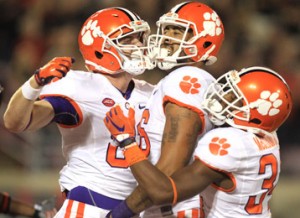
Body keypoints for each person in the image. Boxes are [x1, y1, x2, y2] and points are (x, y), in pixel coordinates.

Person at [3, 7, 155, 218]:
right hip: (89, 208)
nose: (139, 45)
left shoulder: (151, 92)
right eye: (128, 40)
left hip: (138, 210)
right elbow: (15, 122)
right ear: (101, 49)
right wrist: (34, 83)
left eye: (139, 38)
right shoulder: (79, 85)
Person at [104, 66, 293, 217]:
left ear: (257, 113)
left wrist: (126, 141)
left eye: (235, 99)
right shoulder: (268, 137)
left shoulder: (229, 143)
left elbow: (163, 192)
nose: (224, 97)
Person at [104, 1, 225, 217]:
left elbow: (170, 171)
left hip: (174, 208)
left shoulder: (187, 80)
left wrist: (119, 213)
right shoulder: (187, 80)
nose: (167, 37)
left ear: (204, 42)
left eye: (178, 31)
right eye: (166, 29)